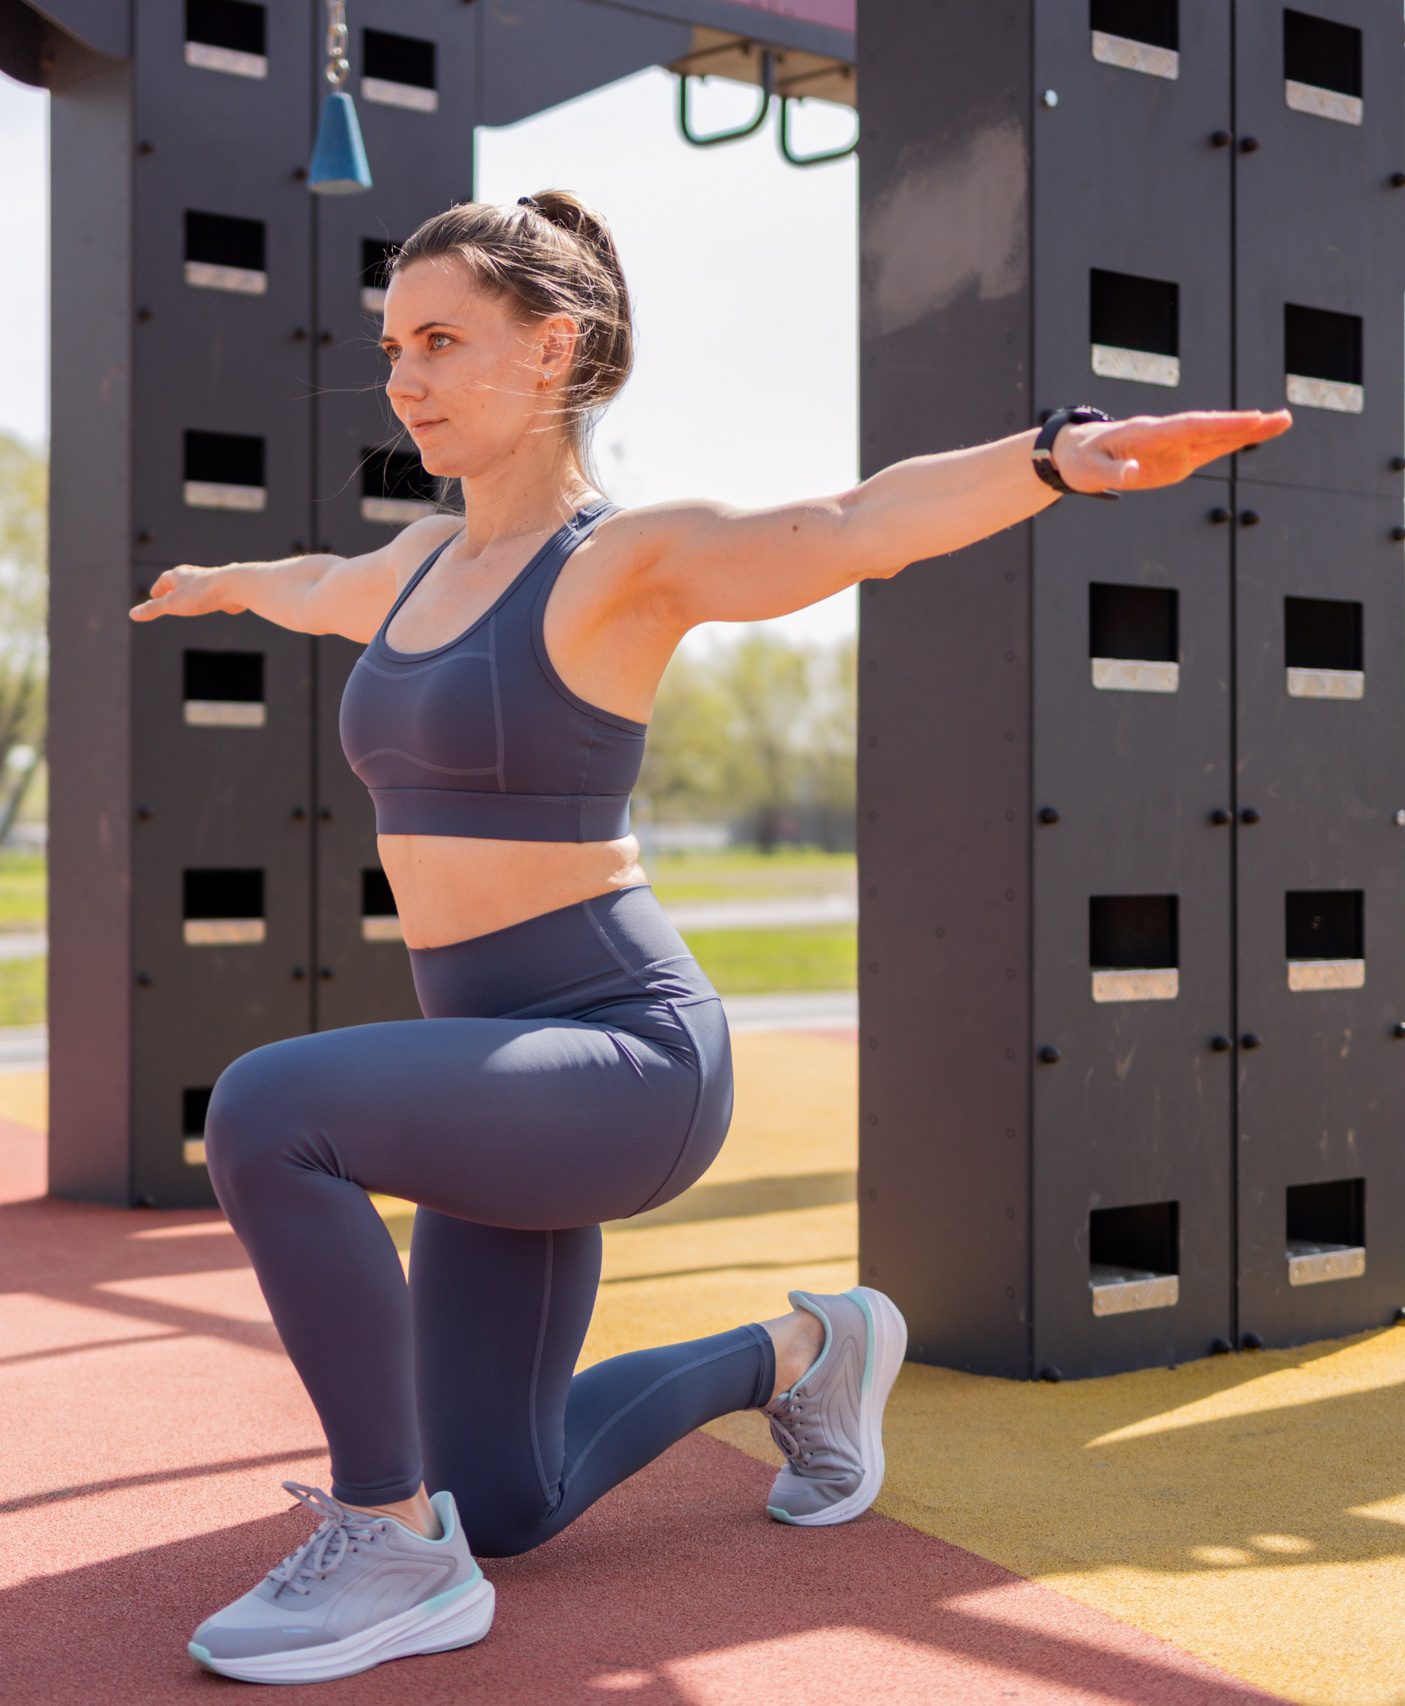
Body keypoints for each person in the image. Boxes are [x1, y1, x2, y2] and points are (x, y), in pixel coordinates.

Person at [129, 190, 1290, 1685]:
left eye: (440, 341)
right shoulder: (413, 568)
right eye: (389, 345)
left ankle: (390, 1538)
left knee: (268, 1110)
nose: (402, 377)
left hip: (622, 1055)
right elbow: (312, 587)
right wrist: (222, 582)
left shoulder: (623, 562)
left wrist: (1055, 458)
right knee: (519, 1497)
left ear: (552, 350)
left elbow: (853, 525)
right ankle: (808, 1354)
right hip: (496, 1069)